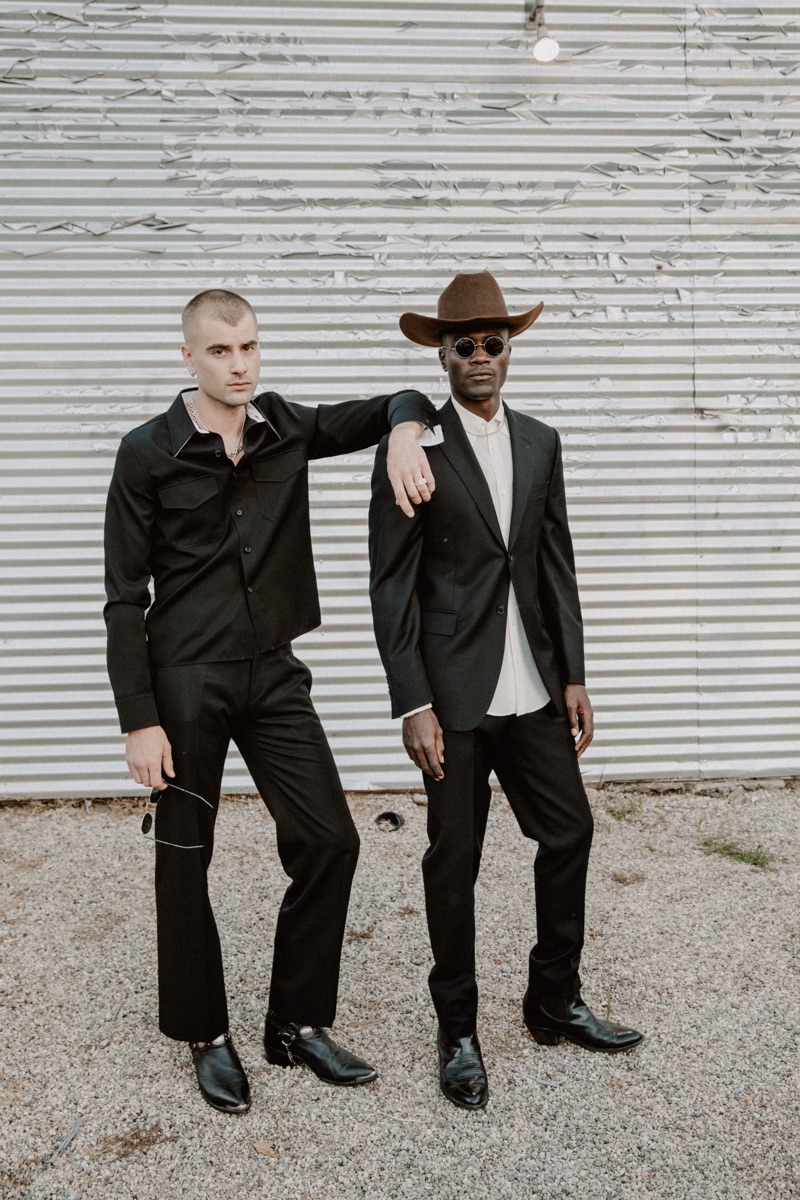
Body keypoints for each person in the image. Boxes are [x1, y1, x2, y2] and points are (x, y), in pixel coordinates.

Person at [104, 288, 438, 1113]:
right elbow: (122, 596)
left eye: (250, 346)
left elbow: (405, 399)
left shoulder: (286, 425)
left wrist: (402, 437)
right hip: (186, 679)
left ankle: (294, 1023)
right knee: (186, 859)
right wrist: (138, 718)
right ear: (188, 356)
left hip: (274, 672)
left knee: (330, 839)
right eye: (220, 351)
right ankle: (204, 1035)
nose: (241, 364)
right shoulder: (146, 452)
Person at [369, 271, 643, 1112]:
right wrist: (412, 701)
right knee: (454, 863)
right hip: (453, 700)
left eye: (494, 343)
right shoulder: (416, 448)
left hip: (533, 691)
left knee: (570, 833)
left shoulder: (542, 441)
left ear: (509, 350)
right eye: (464, 346)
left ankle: (552, 1002)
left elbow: (555, 563)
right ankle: (457, 1031)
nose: (480, 357)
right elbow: (391, 585)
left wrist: (575, 673)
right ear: (443, 356)